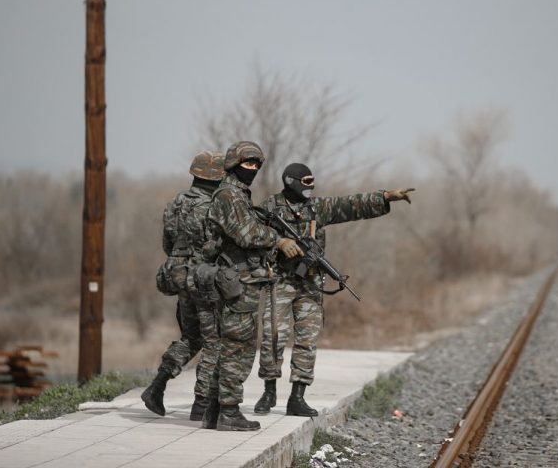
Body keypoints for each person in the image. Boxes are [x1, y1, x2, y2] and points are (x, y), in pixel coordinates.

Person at [254, 162, 414, 416]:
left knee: (307, 339)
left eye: (312, 181)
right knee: (274, 335)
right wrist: (279, 242)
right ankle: (269, 391)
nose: (311, 186)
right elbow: (252, 234)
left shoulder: (317, 207)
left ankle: (297, 397)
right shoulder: (270, 207)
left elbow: (350, 205)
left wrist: (385, 197)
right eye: (306, 181)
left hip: (310, 283)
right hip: (280, 281)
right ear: (290, 182)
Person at [201, 141, 303, 431]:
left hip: (242, 279)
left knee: (232, 346)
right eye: (248, 163)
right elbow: (246, 234)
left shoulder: (238, 194)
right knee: (239, 348)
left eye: (257, 164)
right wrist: (278, 240)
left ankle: (215, 411)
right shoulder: (229, 195)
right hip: (237, 281)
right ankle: (229, 412)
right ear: (234, 164)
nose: (254, 169)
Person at [141, 150, 225, 420]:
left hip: (179, 277)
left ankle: (157, 386)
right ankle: (201, 404)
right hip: (204, 280)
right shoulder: (214, 206)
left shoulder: (175, 203)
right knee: (214, 341)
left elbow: (168, 244)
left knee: (192, 337)